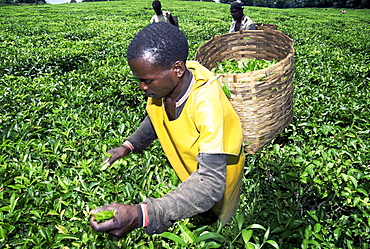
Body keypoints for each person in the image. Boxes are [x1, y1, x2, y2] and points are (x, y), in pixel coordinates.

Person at [89, 22, 245, 238]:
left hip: (218, 176)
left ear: (178, 69)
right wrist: (128, 145)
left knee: (219, 225)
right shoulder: (163, 87)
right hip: (192, 171)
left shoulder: (206, 105)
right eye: (139, 80)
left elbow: (210, 183)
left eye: (147, 80)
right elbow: (154, 118)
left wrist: (142, 214)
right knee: (193, 202)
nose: (142, 87)